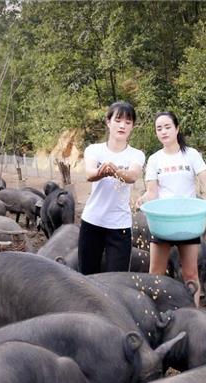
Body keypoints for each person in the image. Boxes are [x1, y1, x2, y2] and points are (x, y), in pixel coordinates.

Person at [137, 111, 206, 307]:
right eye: (159, 128)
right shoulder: (155, 159)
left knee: (190, 273)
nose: (163, 131)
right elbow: (152, 192)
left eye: (167, 127)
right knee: (155, 272)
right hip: (162, 221)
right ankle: (154, 312)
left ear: (177, 128)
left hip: (187, 221)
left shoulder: (191, 154)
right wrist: (143, 199)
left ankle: (194, 312)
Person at [78, 101, 145, 275]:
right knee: (87, 275)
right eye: (118, 120)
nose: (122, 125)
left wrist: (115, 171)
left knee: (117, 278)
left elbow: (132, 176)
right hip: (92, 221)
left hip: (120, 225)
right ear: (108, 122)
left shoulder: (136, 154)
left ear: (132, 126)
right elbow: (90, 174)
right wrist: (102, 172)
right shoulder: (94, 150)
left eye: (128, 122)